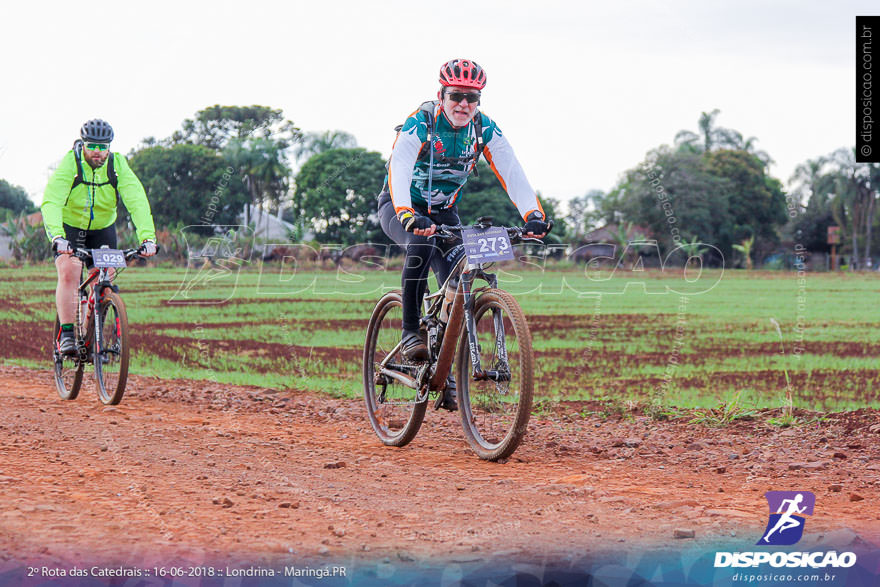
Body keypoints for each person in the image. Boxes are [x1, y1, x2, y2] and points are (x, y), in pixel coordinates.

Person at [377, 59, 550, 410]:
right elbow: (400, 167)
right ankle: (411, 330)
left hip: (445, 213)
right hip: (400, 207)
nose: (464, 105)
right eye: (456, 96)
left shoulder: (483, 129)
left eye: (472, 99)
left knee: (462, 281)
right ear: (441, 94)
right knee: (422, 244)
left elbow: (511, 169)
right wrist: (408, 214)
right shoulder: (420, 122)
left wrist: (532, 214)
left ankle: (443, 364)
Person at [42, 119, 158, 355]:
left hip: (103, 228)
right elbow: (51, 201)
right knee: (70, 271)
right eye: (92, 146)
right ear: (83, 144)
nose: (98, 152)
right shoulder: (70, 163)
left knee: (106, 276)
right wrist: (57, 237)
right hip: (70, 229)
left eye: (103, 147)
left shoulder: (117, 165)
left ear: (109, 147)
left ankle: (90, 334)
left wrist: (148, 238)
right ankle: (66, 334)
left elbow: (137, 200)